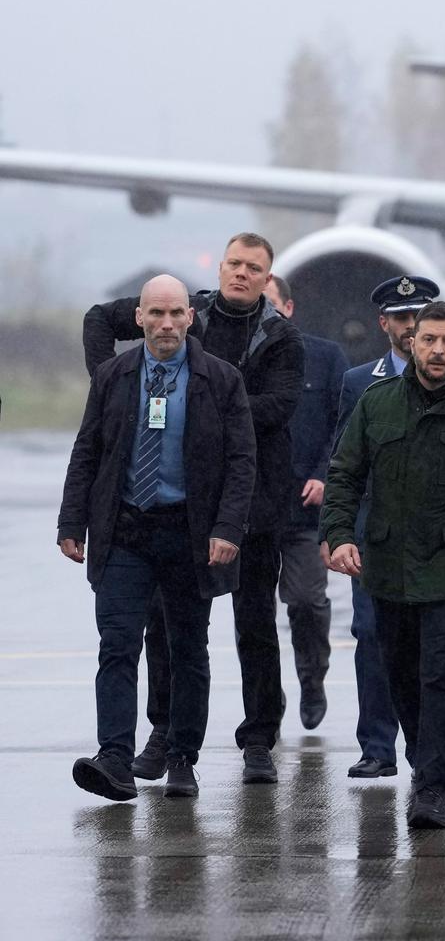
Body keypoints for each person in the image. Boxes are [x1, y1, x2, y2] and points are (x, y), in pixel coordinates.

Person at [83, 233, 303, 785]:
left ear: (267, 278)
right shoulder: (186, 310)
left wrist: (211, 404)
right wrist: (117, 387)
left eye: (254, 268)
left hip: (253, 504)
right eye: (235, 263)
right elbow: (98, 319)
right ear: (221, 266)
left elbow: (278, 407)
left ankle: (258, 738)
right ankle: (163, 734)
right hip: (183, 509)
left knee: (255, 624)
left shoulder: (281, 336)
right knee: (165, 629)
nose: (242, 274)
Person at [321, 300, 445, 830]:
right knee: (400, 672)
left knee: (440, 673)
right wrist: (338, 534)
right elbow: (344, 474)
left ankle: (430, 786)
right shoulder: (377, 403)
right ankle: (428, 762)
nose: (437, 350)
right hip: (387, 566)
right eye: (429, 339)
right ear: (412, 343)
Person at [60, 274, 257, 801]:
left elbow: (242, 461)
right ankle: (115, 758)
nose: (166, 324)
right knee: (117, 644)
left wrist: (228, 527)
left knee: (187, 648)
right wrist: (71, 522)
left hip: (189, 533)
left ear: (190, 318)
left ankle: (181, 756)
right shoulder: (113, 375)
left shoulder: (221, 379)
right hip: (125, 530)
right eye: (156, 314)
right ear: (139, 318)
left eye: (175, 314)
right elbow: (88, 450)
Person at [329, 274, 441, 780]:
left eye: (417, 315)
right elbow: (344, 464)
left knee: (430, 643)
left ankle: (427, 750)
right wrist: (338, 533)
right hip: (375, 533)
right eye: (400, 317)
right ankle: (377, 746)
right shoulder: (359, 382)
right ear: (384, 324)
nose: (410, 325)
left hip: (436, 534)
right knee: (372, 634)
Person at [264, 275, 348, 730]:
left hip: (304, 508)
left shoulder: (325, 356)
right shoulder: (237, 359)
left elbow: (342, 423)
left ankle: (312, 677)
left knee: (306, 601)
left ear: (289, 308)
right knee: (254, 612)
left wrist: (323, 474)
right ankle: (265, 698)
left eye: (271, 304)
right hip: (254, 508)